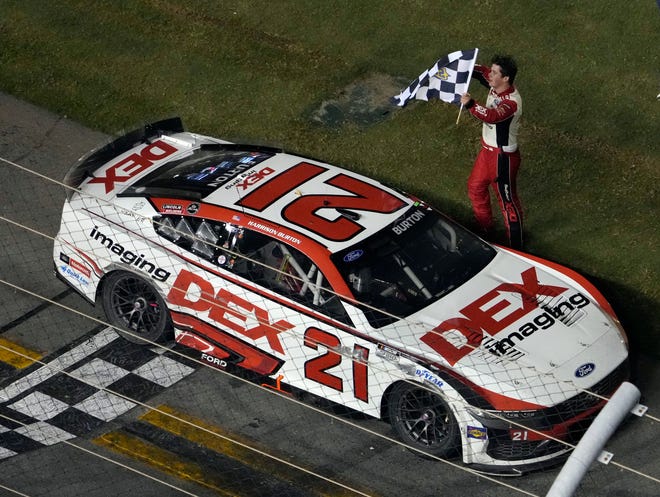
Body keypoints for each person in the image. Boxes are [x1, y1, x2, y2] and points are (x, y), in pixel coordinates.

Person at [460, 55, 523, 249]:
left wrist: (470, 104)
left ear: (506, 79)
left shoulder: (512, 103)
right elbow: (479, 71)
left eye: (495, 73)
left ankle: (516, 246)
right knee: (475, 187)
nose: (490, 75)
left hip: (502, 158)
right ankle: (485, 230)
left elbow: (493, 116)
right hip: (487, 152)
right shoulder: (496, 85)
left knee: (507, 202)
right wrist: (462, 64)